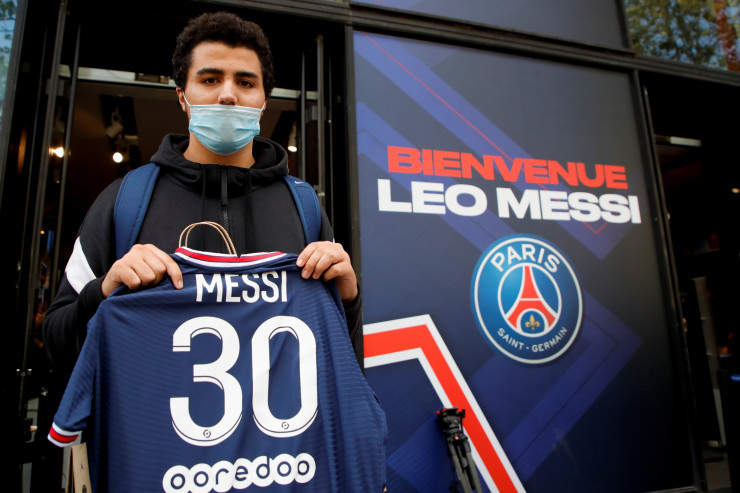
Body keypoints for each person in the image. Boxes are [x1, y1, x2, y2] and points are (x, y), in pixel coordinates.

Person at [42, 11, 362, 376]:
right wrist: (104, 290)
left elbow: (336, 353)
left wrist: (348, 298)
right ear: (182, 96)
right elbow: (56, 344)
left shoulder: (303, 205)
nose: (227, 95)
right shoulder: (125, 200)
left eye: (245, 82)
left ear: (264, 100)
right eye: (210, 79)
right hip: (152, 412)